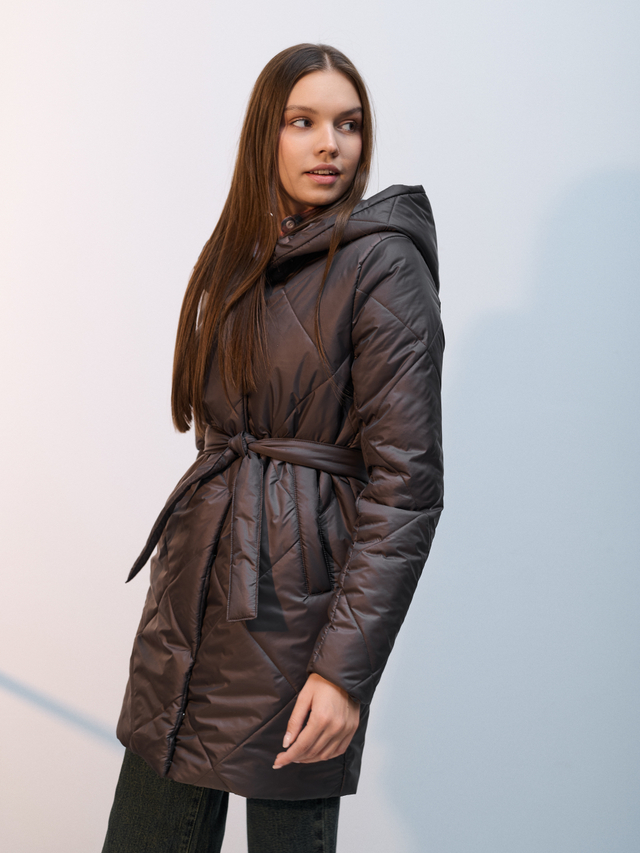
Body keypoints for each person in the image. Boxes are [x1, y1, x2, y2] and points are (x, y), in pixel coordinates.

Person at [102, 42, 444, 853]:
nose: (331, 145)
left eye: (349, 125)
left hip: (301, 614)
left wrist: (342, 671)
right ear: (267, 132)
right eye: (304, 122)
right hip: (194, 600)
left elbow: (405, 489)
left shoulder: (384, 263)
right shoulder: (241, 256)